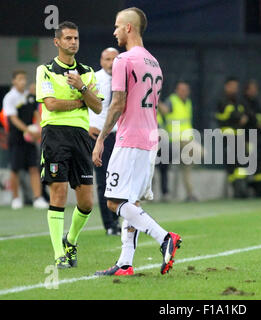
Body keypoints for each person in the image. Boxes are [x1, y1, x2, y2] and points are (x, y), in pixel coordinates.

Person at [92, 7, 182, 276]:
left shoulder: (124, 60)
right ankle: (125, 262)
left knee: (113, 201)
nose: (115, 31)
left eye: (118, 26)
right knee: (132, 202)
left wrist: (101, 139)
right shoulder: (154, 63)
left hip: (129, 139)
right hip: (149, 139)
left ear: (129, 28)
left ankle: (164, 237)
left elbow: (118, 103)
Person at [36, 21, 103, 268]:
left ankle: (70, 240)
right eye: (67, 38)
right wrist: (80, 101)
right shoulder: (45, 70)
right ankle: (58, 255)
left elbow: (97, 105)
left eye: (75, 38)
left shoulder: (86, 72)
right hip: (55, 135)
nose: (72, 42)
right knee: (59, 192)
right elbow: (51, 104)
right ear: (57, 42)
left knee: (86, 202)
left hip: (80, 136)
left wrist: (81, 87)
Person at [2, 71, 48, 210]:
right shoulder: (10, 97)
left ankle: (37, 198)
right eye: (19, 79)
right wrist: (27, 131)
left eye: (24, 79)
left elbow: (36, 113)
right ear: (14, 81)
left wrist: (38, 129)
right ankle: (16, 199)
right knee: (15, 169)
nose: (23, 81)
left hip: (30, 139)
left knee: (34, 168)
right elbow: (13, 118)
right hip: (16, 138)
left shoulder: (29, 96)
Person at [89, 47, 121, 236]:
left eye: (114, 59)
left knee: (119, 180)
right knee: (103, 180)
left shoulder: (125, 78)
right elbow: (82, 105)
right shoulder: (93, 79)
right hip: (99, 136)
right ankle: (109, 224)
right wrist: (87, 126)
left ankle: (117, 220)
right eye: (107, 59)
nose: (110, 63)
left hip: (120, 135)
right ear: (101, 61)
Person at [159, 80, 198, 202]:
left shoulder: (188, 102)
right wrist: (156, 100)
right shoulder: (172, 100)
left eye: (185, 90)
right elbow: (165, 110)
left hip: (187, 140)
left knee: (186, 169)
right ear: (176, 90)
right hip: (176, 140)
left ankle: (190, 194)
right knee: (201, 153)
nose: (183, 92)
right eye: (181, 90)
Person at [215, 77, 249, 198]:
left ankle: (242, 189)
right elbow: (229, 117)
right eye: (232, 86)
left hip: (239, 137)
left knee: (242, 164)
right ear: (226, 87)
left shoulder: (238, 102)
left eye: (236, 87)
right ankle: (236, 189)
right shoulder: (222, 101)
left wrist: (239, 117)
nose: (235, 89)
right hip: (228, 138)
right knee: (232, 164)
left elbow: (245, 116)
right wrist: (238, 117)